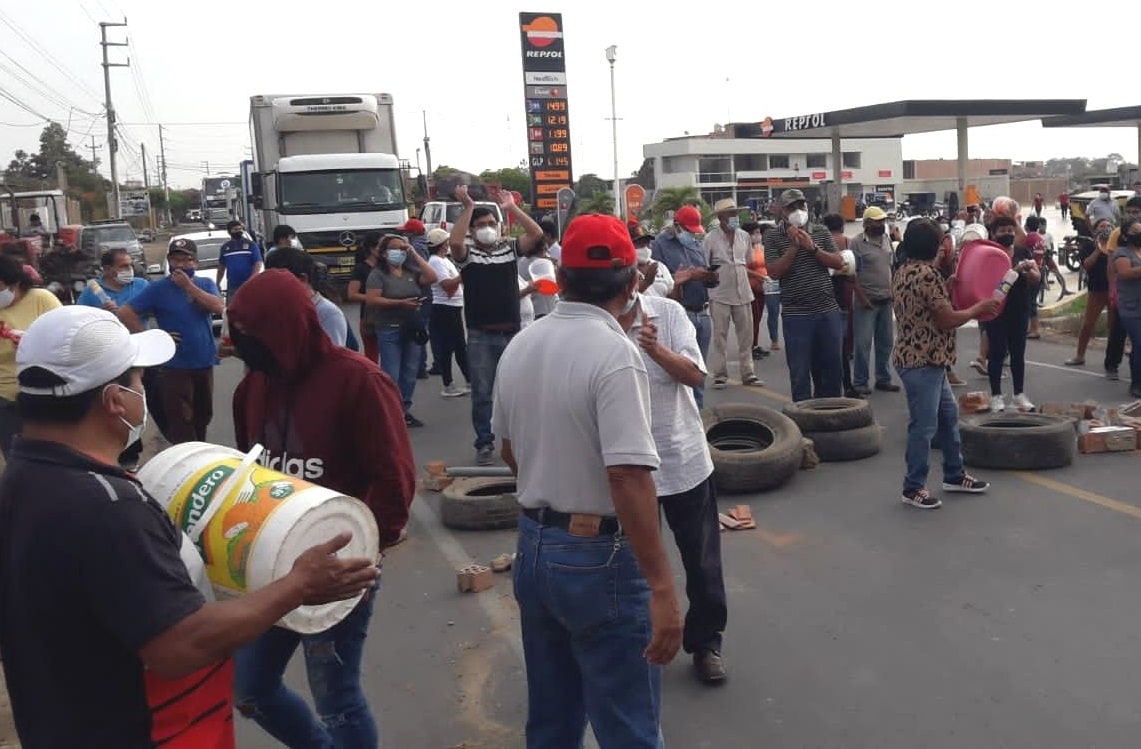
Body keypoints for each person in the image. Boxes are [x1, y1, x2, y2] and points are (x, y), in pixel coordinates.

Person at [0, 304, 379, 748]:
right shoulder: (107, 508)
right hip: (147, 730)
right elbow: (181, 645)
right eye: (139, 379)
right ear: (114, 401)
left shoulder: (23, 479)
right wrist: (299, 585)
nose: (145, 391)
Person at [493, 213, 682, 747]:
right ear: (632, 282)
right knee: (627, 725)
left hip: (534, 545)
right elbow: (627, 476)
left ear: (562, 276)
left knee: (552, 719)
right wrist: (663, 587)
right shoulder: (616, 355)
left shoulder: (522, 346)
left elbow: (510, 450)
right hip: (598, 556)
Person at [227, 270, 416, 749]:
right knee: (249, 689)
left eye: (251, 333)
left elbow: (394, 477)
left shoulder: (359, 381)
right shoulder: (251, 390)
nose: (239, 343)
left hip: (339, 571)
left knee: (337, 699)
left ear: (285, 327)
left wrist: (370, 551)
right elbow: (251, 475)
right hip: (272, 566)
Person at [625, 289, 727, 684]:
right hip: (628, 470)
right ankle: (636, 646)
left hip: (682, 459)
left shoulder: (666, 313)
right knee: (630, 565)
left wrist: (656, 350)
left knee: (702, 563)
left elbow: (695, 375)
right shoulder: (594, 324)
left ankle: (706, 644)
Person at [892, 219, 996, 509]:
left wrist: (945, 288)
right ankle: (913, 487)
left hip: (921, 360)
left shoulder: (904, 271)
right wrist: (977, 309)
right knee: (924, 427)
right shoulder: (928, 275)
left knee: (948, 419)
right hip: (923, 361)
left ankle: (954, 474)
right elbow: (947, 319)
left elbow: (925, 306)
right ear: (933, 245)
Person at [449, 185, 544, 465]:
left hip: (513, 332)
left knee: (518, 389)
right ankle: (485, 442)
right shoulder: (467, 256)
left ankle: (521, 439)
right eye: (481, 225)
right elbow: (455, 243)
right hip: (481, 335)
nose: (487, 229)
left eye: (491, 224)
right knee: (482, 393)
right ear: (472, 230)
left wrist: (511, 208)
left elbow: (536, 234)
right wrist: (468, 207)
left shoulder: (509, 250)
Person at [119, 238, 222, 443]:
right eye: (177, 260)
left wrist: (189, 287)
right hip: (175, 365)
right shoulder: (158, 289)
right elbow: (126, 312)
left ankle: (201, 455)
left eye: (187, 259)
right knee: (181, 420)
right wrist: (153, 338)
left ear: (196, 262)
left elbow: (219, 307)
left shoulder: (205, 284)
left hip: (204, 361)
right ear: (169, 261)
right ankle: (186, 459)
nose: (182, 264)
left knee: (203, 416)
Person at [77, 247, 159, 469]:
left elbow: (155, 310)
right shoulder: (91, 293)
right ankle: (126, 458)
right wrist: (102, 313)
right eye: (123, 266)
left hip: (143, 354)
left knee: (154, 404)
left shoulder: (141, 286)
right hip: (111, 359)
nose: (129, 270)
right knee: (122, 408)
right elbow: (80, 323)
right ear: (107, 269)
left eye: (130, 265)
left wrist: (128, 312)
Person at [764, 189, 845, 402]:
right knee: (800, 373)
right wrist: (793, 247)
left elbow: (838, 262)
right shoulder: (773, 236)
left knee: (831, 370)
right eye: (792, 208)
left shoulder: (821, 231)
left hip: (827, 310)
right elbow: (773, 272)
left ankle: (832, 415)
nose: (798, 211)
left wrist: (813, 248)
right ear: (782, 211)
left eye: (801, 206)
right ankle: (804, 420)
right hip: (796, 314)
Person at [365, 234, 438, 427]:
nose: (399, 252)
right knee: (391, 372)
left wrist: (413, 252)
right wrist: (399, 303)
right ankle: (388, 410)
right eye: (395, 248)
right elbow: (372, 299)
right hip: (389, 328)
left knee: (410, 372)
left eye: (402, 248)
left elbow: (432, 277)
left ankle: (403, 409)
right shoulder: (378, 274)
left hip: (411, 328)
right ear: (384, 252)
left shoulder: (410, 271)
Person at [650, 205, 715, 407]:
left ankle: (699, 416)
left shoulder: (695, 245)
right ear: (677, 226)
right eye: (689, 231)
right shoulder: (659, 246)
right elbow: (657, 280)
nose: (691, 235)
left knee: (698, 372)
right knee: (680, 373)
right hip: (679, 312)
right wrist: (680, 277)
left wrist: (709, 275)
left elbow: (709, 280)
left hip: (702, 312)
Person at [0, 255, 61, 456]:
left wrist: (33, 342)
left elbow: (65, 339)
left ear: (15, 283)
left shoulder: (41, 299)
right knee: (15, 456)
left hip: (45, 390)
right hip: (5, 396)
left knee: (52, 453)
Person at [984, 216, 1041, 412]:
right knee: (997, 353)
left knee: (1018, 354)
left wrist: (1031, 274)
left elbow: (1036, 277)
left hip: (1019, 309)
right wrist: (1015, 271)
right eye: (1002, 230)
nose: (1007, 233)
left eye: (1010, 230)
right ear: (993, 234)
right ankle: (996, 396)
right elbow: (992, 284)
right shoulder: (990, 255)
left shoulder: (1023, 251)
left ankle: (1019, 394)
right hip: (997, 311)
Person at [704, 198, 762, 388]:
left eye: (736, 213)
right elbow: (705, 266)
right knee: (720, 336)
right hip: (720, 294)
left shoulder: (744, 236)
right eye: (731, 214)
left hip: (743, 292)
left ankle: (748, 373)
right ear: (721, 217)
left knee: (746, 336)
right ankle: (720, 374)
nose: (734, 217)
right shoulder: (710, 238)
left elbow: (747, 262)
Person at [848, 207, 899, 394]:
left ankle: (883, 378)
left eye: (883, 221)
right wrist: (861, 297)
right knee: (862, 344)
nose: (882, 224)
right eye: (878, 221)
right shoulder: (856, 244)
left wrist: (893, 291)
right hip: (865, 302)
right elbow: (851, 274)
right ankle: (860, 381)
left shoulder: (886, 240)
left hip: (886, 300)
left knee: (885, 343)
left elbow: (892, 268)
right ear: (868, 223)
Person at [264, 247, 349, 346]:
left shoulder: (327, 313)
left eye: (279, 282)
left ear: (302, 279)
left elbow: (330, 357)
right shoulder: (278, 309)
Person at [426, 227, 470, 397]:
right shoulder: (436, 261)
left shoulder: (445, 260)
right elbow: (447, 284)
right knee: (451, 347)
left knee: (458, 346)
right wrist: (465, 274)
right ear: (442, 244)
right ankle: (449, 383)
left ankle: (466, 379)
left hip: (452, 306)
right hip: (445, 307)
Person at [1065, 217, 1114, 367]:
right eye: (1101, 226)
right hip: (1096, 290)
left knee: (1114, 326)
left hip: (1113, 290)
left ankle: (1112, 357)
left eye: (1108, 226)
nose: (1105, 229)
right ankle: (1080, 355)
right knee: (1088, 324)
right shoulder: (1088, 245)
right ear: (1095, 229)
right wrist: (1099, 249)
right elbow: (1086, 265)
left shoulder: (1117, 245)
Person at [1111, 217, 1141, 398]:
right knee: (1139, 343)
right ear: (1126, 235)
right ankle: (1136, 383)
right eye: (1135, 231)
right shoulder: (1121, 252)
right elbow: (1125, 273)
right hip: (1131, 307)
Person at [347, 232, 382, 365]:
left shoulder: (388, 267)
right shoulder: (361, 269)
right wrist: (375, 298)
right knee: (372, 356)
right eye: (382, 246)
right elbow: (352, 294)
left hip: (391, 316)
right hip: (369, 318)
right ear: (373, 249)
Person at [741, 222, 770, 359]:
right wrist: (758, 276)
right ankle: (749, 348)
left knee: (757, 319)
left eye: (759, 232)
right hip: (749, 288)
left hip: (761, 288)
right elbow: (742, 269)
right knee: (751, 319)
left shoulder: (760, 248)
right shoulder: (743, 249)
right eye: (755, 233)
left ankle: (755, 344)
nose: (758, 235)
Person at [216, 220, 263, 301]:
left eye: (240, 229)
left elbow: (258, 263)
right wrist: (218, 283)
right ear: (229, 231)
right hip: (233, 286)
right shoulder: (225, 248)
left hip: (249, 284)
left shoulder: (251, 245)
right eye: (235, 229)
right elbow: (221, 267)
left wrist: (252, 279)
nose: (238, 231)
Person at [633, 226, 674, 298]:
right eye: (640, 244)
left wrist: (678, 284)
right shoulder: (624, 270)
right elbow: (626, 300)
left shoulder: (660, 267)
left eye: (648, 243)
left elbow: (672, 296)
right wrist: (646, 282)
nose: (645, 248)